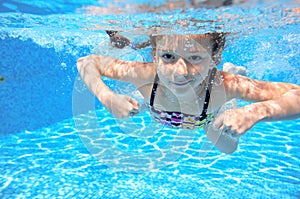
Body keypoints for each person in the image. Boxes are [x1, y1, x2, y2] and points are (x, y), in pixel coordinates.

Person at [77, 32, 300, 154]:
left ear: (215, 57)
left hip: (208, 117)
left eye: (195, 58)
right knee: (133, 101)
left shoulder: (226, 84)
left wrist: (254, 112)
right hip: (156, 106)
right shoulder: (146, 73)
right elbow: (87, 62)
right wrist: (108, 98)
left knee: (227, 147)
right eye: (168, 57)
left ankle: (231, 101)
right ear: (155, 54)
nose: (180, 72)